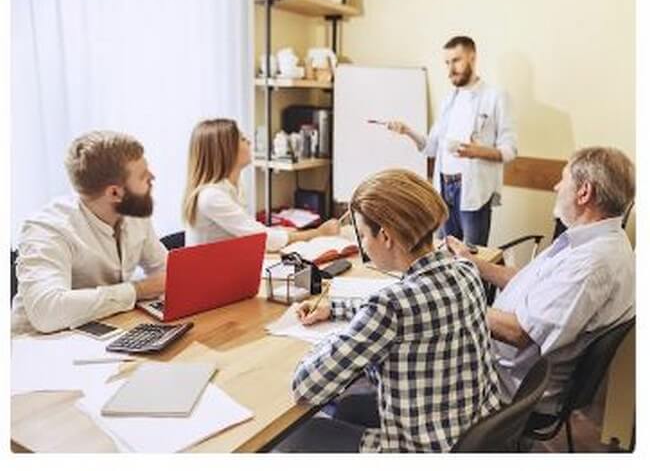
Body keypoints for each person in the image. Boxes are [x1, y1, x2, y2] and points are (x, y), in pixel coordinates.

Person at [276, 169, 501, 452]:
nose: (363, 247)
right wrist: (335, 309)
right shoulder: (464, 270)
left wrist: (335, 337)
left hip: (419, 450)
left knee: (299, 437)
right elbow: (417, 310)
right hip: (468, 432)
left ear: (385, 236)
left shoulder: (389, 308)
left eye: (361, 235)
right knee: (348, 406)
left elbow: (306, 385)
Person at [446, 146, 635, 415]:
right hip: (508, 365)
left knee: (414, 344)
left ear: (584, 192)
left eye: (564, 179)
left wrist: (448, 303)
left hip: (510, 386)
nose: (557, 187)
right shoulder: (590, 240)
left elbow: (519, 332)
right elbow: (525, 281)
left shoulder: (592, 264)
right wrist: (470, 261)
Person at [12, 131, 167, 335]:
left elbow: (164, 271)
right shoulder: (48, 228)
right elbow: (46, 312)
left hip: (108, 331)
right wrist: (137, 290)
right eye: (143, 175)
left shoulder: (132, 213)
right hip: (42, 346)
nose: (152, 177)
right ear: (114, 193)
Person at [387, 35, 517, 246]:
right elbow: (431, 147)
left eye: (456, 61)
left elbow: (510, 150)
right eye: (447, 63)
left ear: (472, 58)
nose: (450, 70)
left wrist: (476, 152)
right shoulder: (448, 100)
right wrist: (407, 131)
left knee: (473, 258)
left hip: (473, 190)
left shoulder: (495, 97)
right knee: (444, 252)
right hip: (444, 188)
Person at [182, 118, 339, 251]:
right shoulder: (211, 197)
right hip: (212, 279)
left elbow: (253, 231)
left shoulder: (233, 188)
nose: (249, 141)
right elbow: (264, 239)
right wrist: (319, 232)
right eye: (242, 139)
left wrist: (288, 233)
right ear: (226, 150)